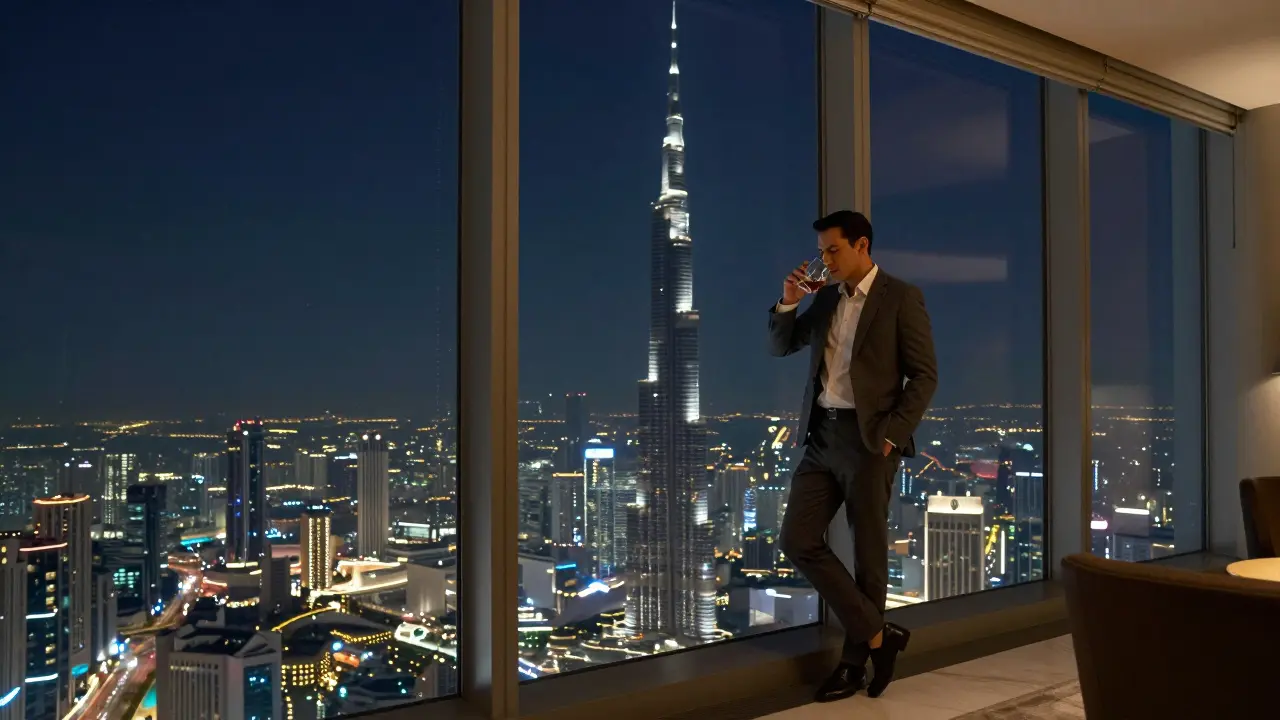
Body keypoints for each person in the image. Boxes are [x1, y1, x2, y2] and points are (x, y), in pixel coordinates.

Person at [768, 209, 937, 703]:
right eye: (822, 252)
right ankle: (881, 636)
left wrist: (890, 437)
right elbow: (781, 348)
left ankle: (852, 663)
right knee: (797, 538)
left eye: (833, 249)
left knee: (869, 557)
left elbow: (925, 376)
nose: (825, 260)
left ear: (862, 245)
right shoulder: (823, 302)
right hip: (821, 437)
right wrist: (789, 301)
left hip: (869, 442)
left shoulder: (901, 298)